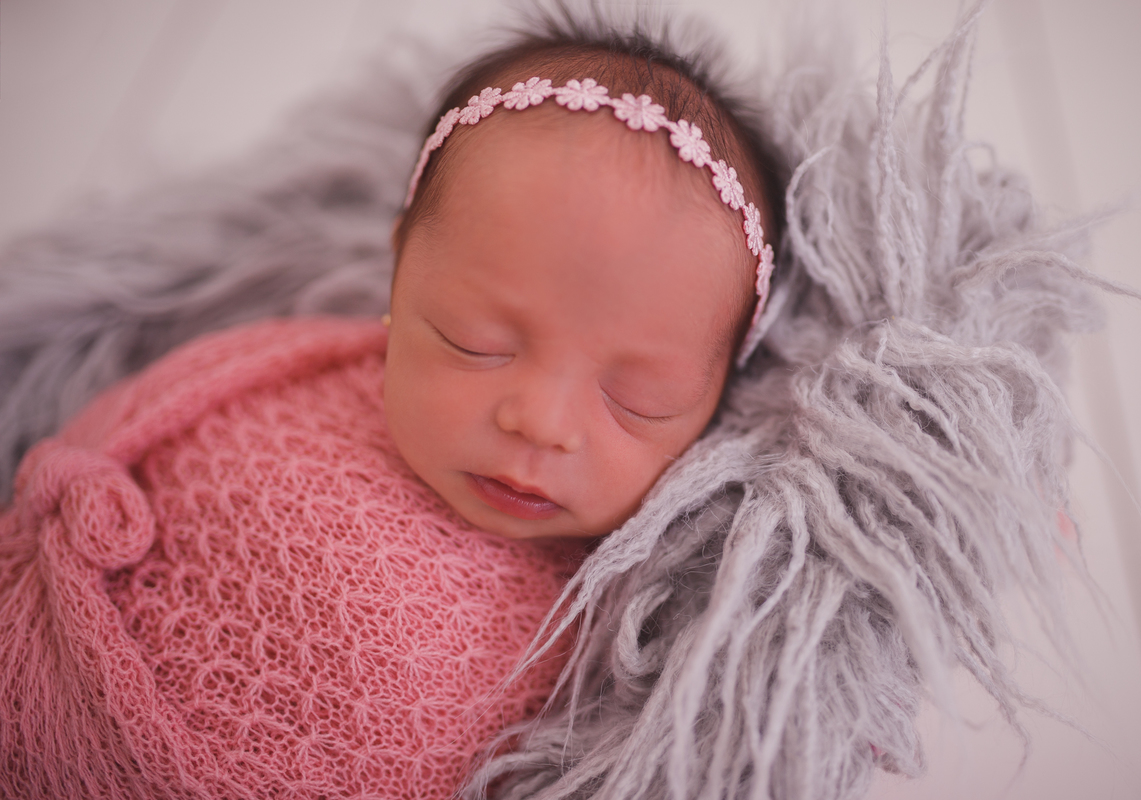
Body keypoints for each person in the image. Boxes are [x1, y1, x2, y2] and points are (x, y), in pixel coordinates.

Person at [0, 18, 786, 800]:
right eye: (473, 342)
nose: (541, 423)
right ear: (400, 270)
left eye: (636, 402)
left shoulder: (619, 625)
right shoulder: (294, 366)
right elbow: (111, 434)